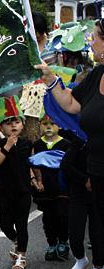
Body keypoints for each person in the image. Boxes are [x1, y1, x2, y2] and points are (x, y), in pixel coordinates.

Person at [35, 19, 104, 254]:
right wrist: (49, 76)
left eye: (94, 37)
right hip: (96, 169)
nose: (90, 42)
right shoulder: (96, 75)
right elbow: (71, 103)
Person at [0, 96, 33, 269]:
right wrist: (7, 146)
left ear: (22, 124)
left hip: (23, 190)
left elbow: (32, 164)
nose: (13, 125)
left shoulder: (27, 144)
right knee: (5, 224)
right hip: (4, 191)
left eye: (16, 121)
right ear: (1, 127)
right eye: (8, 123)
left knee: (22, 223)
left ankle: (21, 255)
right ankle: (16, 240)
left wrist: (36, 180)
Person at [61, 136, 104, 269]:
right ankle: (81, 259)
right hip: (78, 194)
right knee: (75, 235)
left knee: (98, 236)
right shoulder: (78, 141)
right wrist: (84, 180)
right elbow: (65, 165)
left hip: (99, 194)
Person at [31, 114, 70, 261]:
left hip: (62, 187)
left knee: (62, 215)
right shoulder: (37, 145)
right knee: (48, 218)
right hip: (44, 188)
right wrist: (36, 180)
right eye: (45, 123)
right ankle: (51, 243)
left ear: (59, 126)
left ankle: (63, 242)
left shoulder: (66, 144)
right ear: (40, 125)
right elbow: (32, 164)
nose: (48, 127)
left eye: (53, 123)